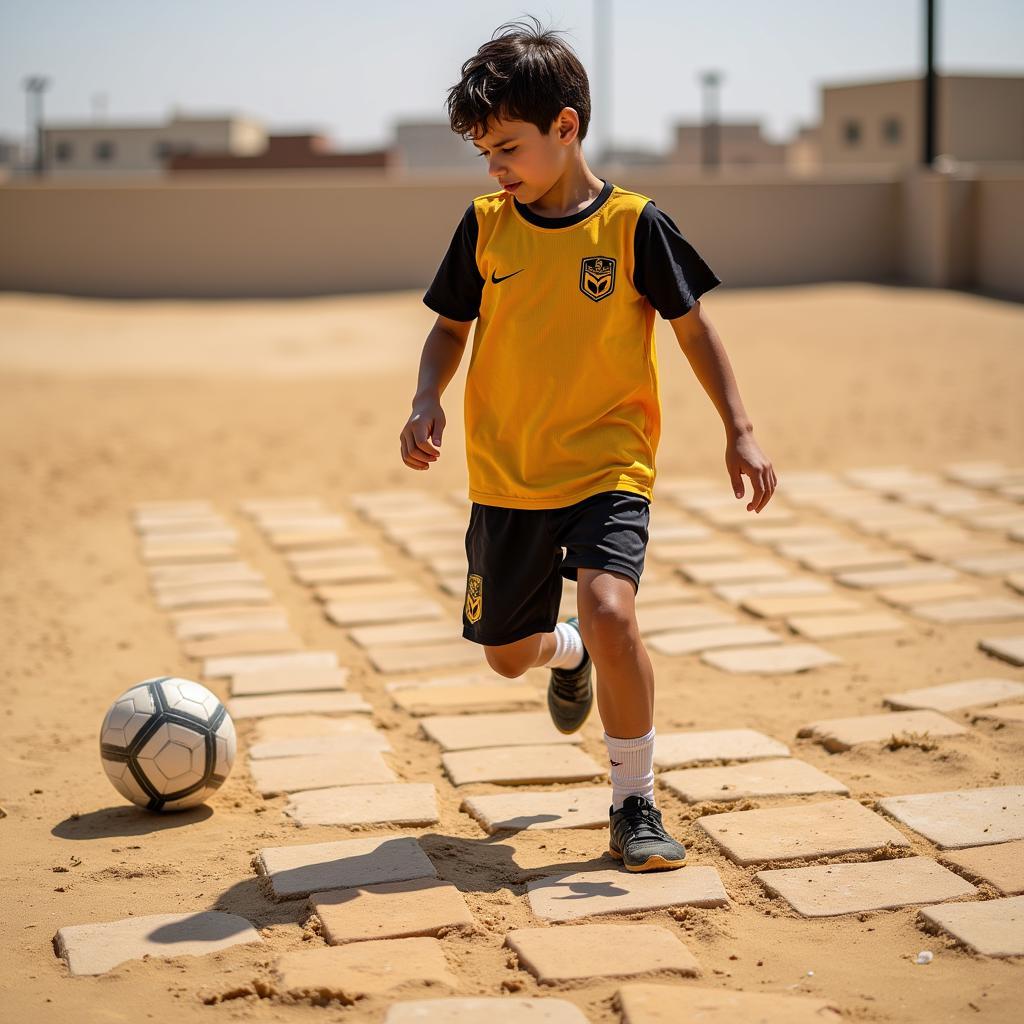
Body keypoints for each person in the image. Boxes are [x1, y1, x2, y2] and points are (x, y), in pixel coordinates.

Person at [399, 17, 776, 872]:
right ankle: (562, 650)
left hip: (610, 465)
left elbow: (693, 330)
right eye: (486, 154)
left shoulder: (638, 226)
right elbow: (449, 329)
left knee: (613, 609)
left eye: (509, 147)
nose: (497, 168)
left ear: (567, 128)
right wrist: (428, 396)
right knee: (504, 657)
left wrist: (740, 430)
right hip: (508, 472)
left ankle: (633, 802)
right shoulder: (485, 226)